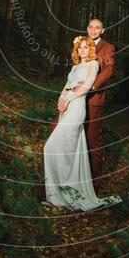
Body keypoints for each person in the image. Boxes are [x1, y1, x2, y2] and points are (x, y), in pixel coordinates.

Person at [43, 35, 121, 211]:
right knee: (67, 151)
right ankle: (57, 195)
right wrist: (61, 101)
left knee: (51, 147)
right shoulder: (75, 66)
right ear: (77, 49)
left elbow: (85, 87)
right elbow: (66, 86)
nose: (83, 49)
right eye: (80, 47)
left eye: (86, 47)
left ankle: (66, 194)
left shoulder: (93, 65)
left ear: (91, 49)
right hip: (67, 107)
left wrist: (69, 98)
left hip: (77, 108)